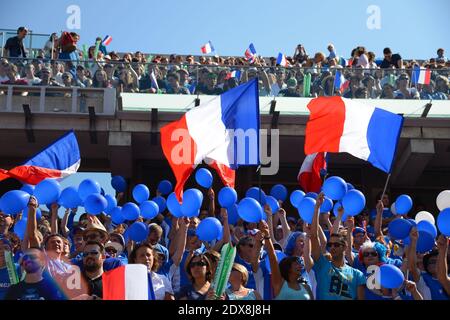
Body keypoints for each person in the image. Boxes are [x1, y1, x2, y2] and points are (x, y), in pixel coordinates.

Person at [310, 192, 366, 300]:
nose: (332, 247)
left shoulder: (357, 274)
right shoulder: (322, 265)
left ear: (345, 247)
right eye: (330, 245)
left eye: (336, 245)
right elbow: (313, 236)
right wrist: (317, 207)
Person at [260, 221, 313, 300]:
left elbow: (307, 254)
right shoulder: (279, 283)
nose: (300, 265)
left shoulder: (306, 287)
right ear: (287, 267)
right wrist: (267, 236)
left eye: (300, 263)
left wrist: (308, 235)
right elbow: (272, 258)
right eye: (296, 264)